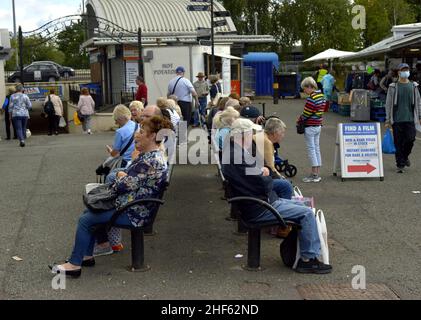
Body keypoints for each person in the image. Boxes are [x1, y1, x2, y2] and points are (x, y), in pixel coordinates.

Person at [49, 116, 172, 277]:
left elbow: (123, 185)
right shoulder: (151, 157)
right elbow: (130, 180)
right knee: (89, 214)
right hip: (134, 206)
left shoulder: (150, 161)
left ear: (153, 136)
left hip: (134, 212)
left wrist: (121, 174)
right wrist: (124, 173)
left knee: (86, 220)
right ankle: (85, 256)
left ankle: (74, 265)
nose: (137, 135)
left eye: (142, 131)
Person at [221, 119, 332, 274]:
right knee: (307, 213)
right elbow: (264, 184)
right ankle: (307, 260)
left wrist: (263, 173)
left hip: (257, 202)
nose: (253, 135)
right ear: (243, 135)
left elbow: (257, 180)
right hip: (259, 206)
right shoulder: (238, 156)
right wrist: (264, 173)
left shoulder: (234, 152)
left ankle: (299, 252)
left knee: (304, 208)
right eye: (251, 133)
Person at [385, 63, 421, 174]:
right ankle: (400, 164)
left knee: (410, 139)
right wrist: (388, 119)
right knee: (398, 142)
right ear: (399, 72)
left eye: (407, 69)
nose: (405, 72)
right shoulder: (393, 87)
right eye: (403, 70)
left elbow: (418, 102)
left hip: (410, 119)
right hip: (397, 120)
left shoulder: (413, 86)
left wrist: (419, 116)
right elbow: (388, 104)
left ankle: (405, 157)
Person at [297, 77, 326, 183]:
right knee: (317, 148)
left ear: (309, 86)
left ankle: (314, 174)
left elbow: (306, 113)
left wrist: (299, 119)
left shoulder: (312, 98)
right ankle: (317, 172)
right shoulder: (321, 96)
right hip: (318, 125)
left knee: (311, 149)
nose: (304, 91)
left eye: (304, 88)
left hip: (310, 126)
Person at [259, 118, 293, 200]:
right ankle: (285, 208)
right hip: (261, 180)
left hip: (258, 175)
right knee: (286, 185)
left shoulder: (262, 136)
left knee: (285, 182)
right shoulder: (267, 142)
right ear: (275, 133)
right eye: (282, 133)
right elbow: (271, 167)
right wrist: (281, 177)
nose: (283, 136)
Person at [106, 105, 138, 169]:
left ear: (120, 119)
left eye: (116, 120)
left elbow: (115, 153)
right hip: (137, 159)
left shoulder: (120, 131)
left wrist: (110, 151)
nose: (115, 123)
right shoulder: (137, 125)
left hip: (126, 162)